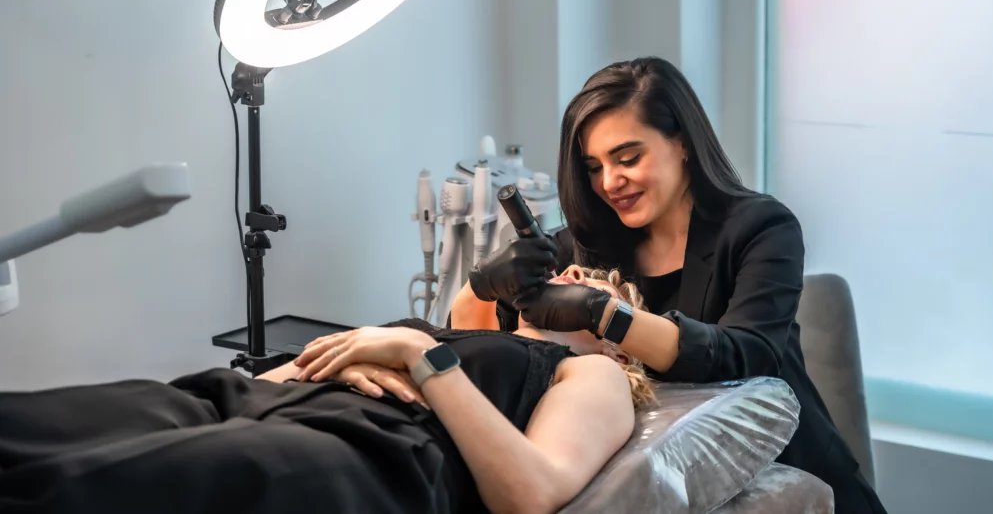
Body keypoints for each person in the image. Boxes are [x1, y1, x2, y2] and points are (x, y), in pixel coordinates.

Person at [449, 57, 888, 514]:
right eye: (593, 166)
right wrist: (481, 284)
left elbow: (745, 356)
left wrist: (602, 314)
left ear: (682, 142)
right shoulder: (583, 245)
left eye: (627, 158)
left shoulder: (761, 228)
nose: (609, 183)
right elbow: (474, 347)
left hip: (790, 478)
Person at [0, 268, 647, 514]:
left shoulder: (597, 372)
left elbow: (528, 493)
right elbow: (294, 368)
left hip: (368, 449)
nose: (570, 276)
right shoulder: (449, 329)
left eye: (593, 284)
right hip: (257, 394)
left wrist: (419, 356)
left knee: (100, 483)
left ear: (620, 340)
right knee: (58, 420)